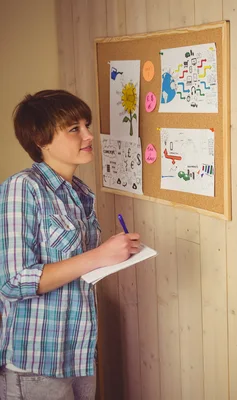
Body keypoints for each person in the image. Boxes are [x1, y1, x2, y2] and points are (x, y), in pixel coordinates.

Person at [0, 90, 141, 399]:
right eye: (74, 128)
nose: (89, 135)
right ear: (41, 140)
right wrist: (98, 256)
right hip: (37, 365)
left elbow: (76, 265)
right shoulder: (22, 188)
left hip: (78, 354)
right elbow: (11, 282)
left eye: (86, 124)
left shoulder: (79, 192)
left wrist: (112, 254)